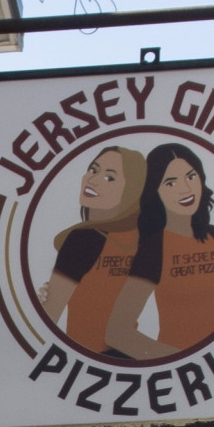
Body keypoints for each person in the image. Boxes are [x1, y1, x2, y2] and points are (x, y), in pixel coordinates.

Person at [102, 143, 214, 362]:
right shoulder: (155, 247)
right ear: (155, 190)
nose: (185, 188)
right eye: (170, 182)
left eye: (190, 176)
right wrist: (181, 359)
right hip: (181, 371)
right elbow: (117, 332)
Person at [40, 146, 148, 354]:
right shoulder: (143, 237)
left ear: (131, 190)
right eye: (93, 170)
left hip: (90, 362)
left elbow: (47, 319)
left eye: (109, 178)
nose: (92, 180)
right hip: (128, 358)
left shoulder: (82, 240)